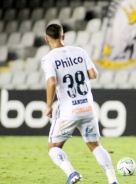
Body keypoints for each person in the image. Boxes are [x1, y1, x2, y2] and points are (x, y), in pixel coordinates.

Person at [41, 24, 119, 184]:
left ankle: (72, 174)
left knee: (53, 148)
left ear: (46, 39)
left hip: (68, 111)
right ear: (63, 36)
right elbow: (93, 74)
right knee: (95, 145)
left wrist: (48, 105)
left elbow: (51, 81)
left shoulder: (48, 58)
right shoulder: (80, 52)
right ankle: (113, 181)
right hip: (88, 107)